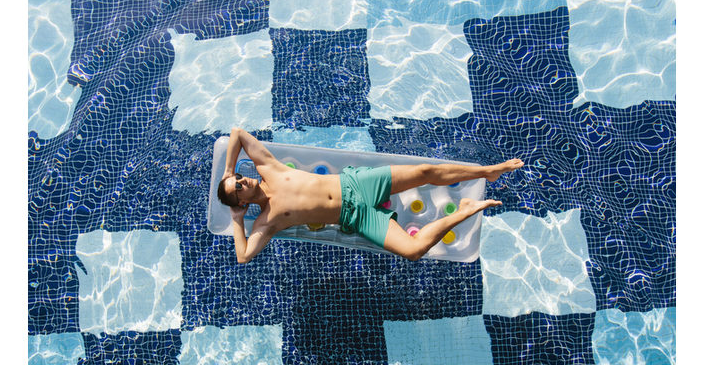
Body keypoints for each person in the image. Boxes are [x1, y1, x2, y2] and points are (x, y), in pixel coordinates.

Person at [217, 127, 523, 264]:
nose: (243, 180)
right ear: (243, 202)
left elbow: (238, 133)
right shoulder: (267, 222)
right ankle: (465, 209)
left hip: (358, 184)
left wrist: (227, 173)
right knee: (413, 251)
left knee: (425, 171)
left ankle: (488, 171)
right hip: (357, 217)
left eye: (239, 179)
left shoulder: (269, 168)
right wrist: (235, 219)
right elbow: (243, 256)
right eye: (238, 188)